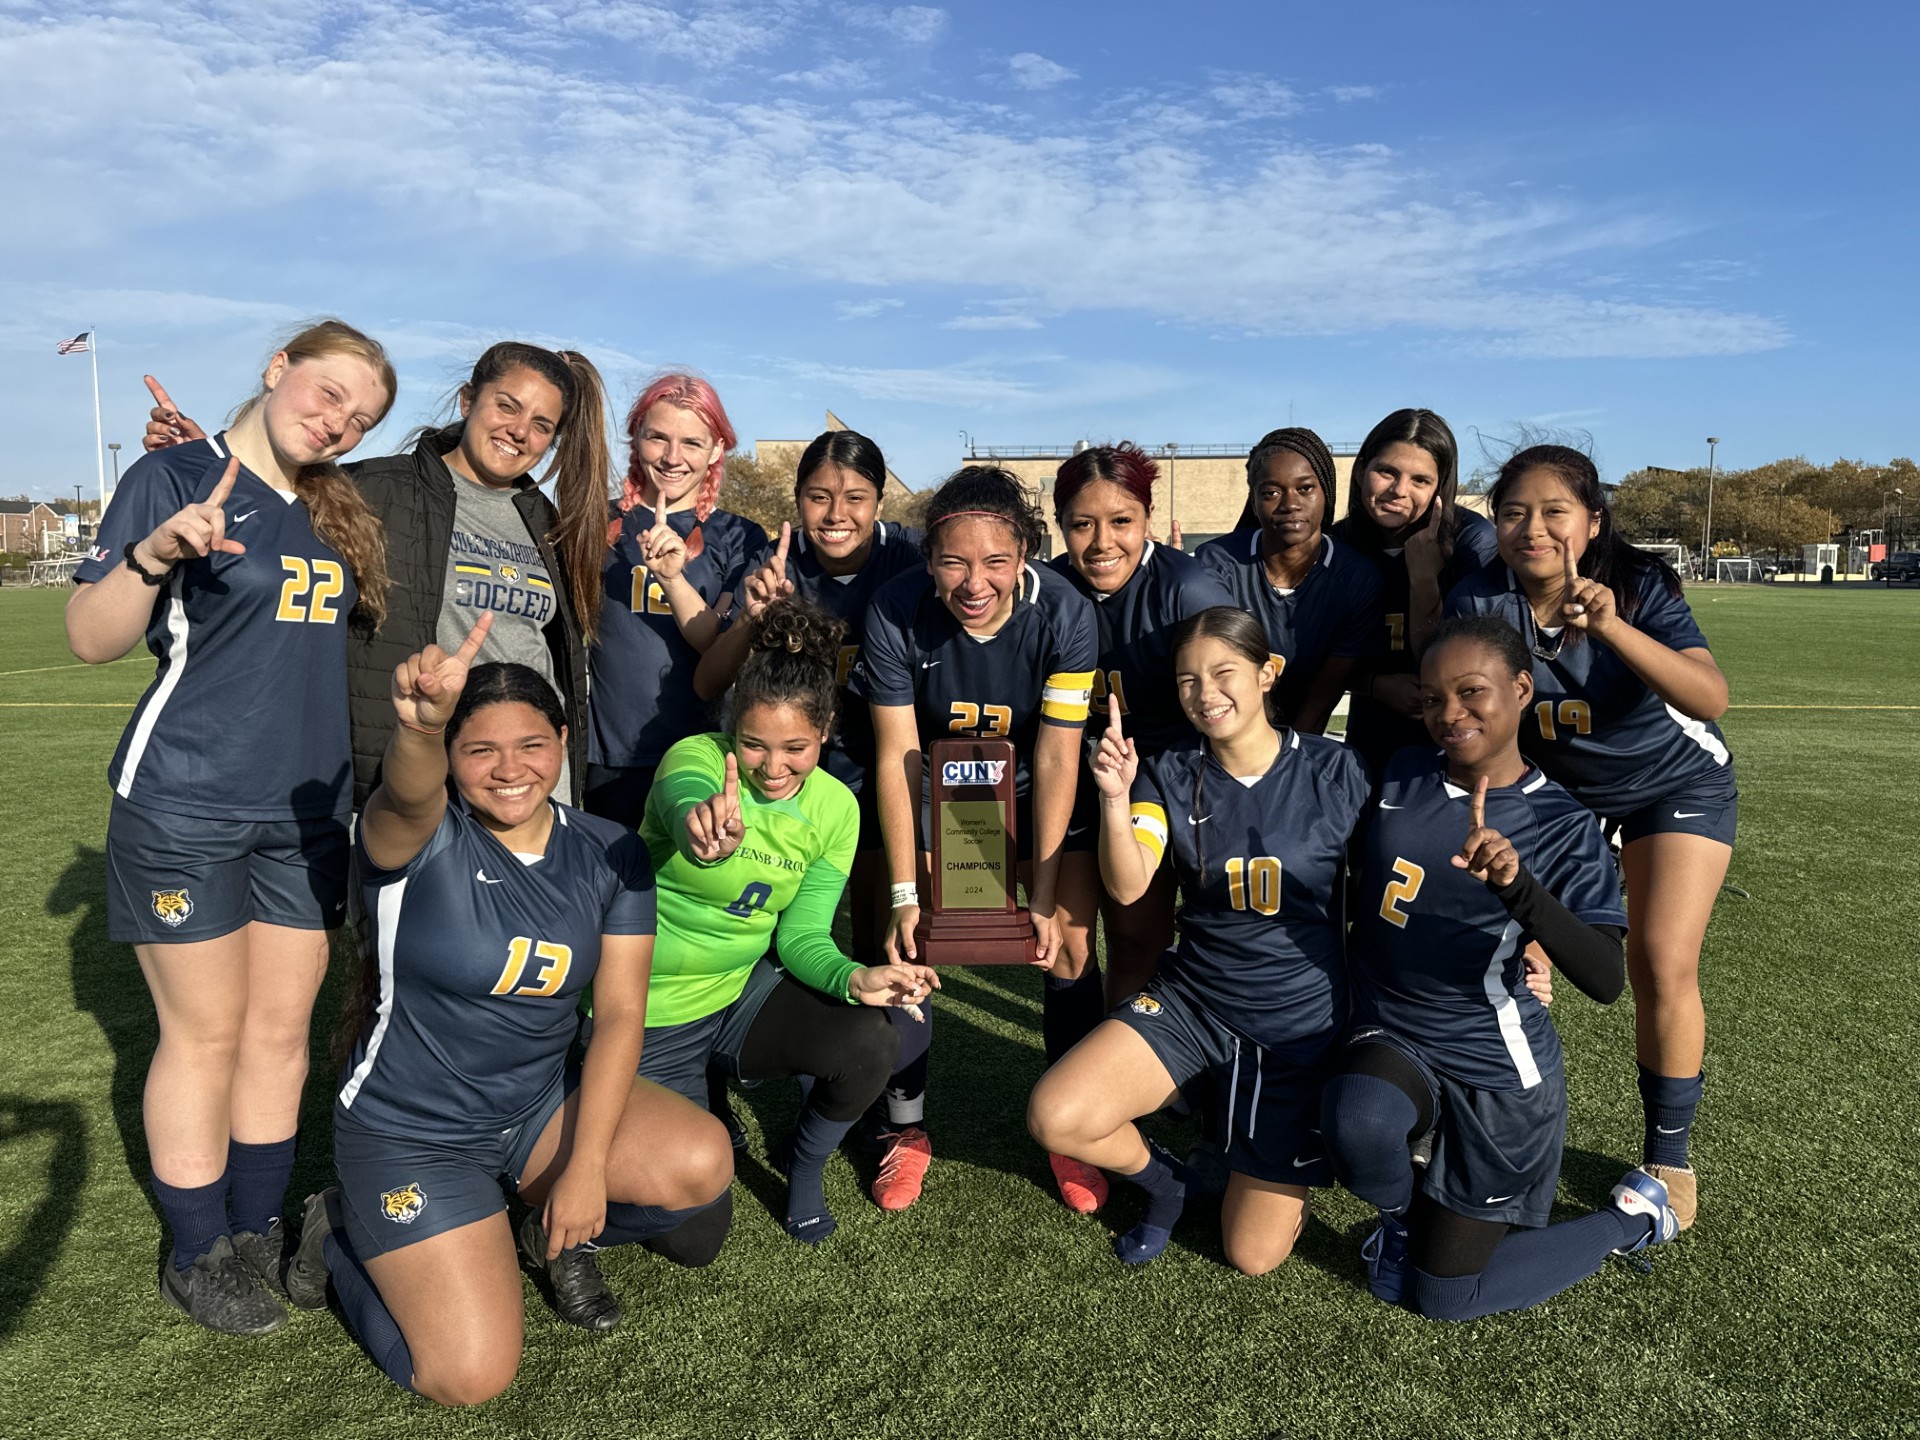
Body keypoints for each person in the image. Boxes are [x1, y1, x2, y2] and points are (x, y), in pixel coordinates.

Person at [284, 629, 733, 1403]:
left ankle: (531, 1227)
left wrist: (586, 1169)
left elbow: (622, 1014)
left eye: (531, 744)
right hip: (413, 1129)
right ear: (452, 758)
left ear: (563, 740)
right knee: (467, 1376)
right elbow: (407, 791)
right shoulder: (414, 836)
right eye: (478, 749)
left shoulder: (609, 851)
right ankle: (337, 1237)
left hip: (533, 1109)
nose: (509, 768)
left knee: (700, 1162)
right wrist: (421, 728)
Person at [68, 320, 395, 1334]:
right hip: (185, 806)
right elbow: (90, 637)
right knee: (202, 1034)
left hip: (305, 817)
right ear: (277, 367)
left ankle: (255, 1225)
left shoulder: (339, 510)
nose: (337, 421)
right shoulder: (173, 479)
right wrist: (155, 553)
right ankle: (197, 1245)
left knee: (277, 1034)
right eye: (329, 391)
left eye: (360, 415)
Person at [1323, 614, 1680, 1319]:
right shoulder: (1400, 773)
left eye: (1470, 692)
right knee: (1358, 1124)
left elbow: (1606, 979)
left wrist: (1519, 890)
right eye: (1431, 698)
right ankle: (1405, 1213)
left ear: (1522, 688)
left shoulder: (1562, 824)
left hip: (1497, 1071)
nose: (1448, 714)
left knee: (1445, 1298)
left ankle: (1633, 1218)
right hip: (1394, 1031)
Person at [1028, 606, 1370, 1273]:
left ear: (1268, 673)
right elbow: (1127, 887)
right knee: (1056, 1114)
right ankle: (1168, 1182)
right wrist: (1114, 800)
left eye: (1223, 673)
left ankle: (1238, 1127)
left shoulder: (1338, 771)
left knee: (1252, 1255)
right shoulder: (1170, 772)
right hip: (1196, 1005)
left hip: (1296, 1029)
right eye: (1188, 681)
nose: (1205, 694)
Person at [1446, 445, 1735, 1230]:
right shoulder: (1478, 597)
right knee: (1500, 951)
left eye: (1553, 512)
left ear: (1593, 521)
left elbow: (1710, 696)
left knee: (1659, 960)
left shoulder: (1636, 588)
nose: (1532, 528)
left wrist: (1611, 628)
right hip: (1561, 801)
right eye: (1513, 512)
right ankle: (1482, 1120)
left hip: (1669, 788)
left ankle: (1668, 1157)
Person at [142, 341, 611, 807]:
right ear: (469, 400)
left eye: (542, 425)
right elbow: (273, 499)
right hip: (412, 776)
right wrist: (211, 462)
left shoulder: (550, 524)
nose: (519, 431)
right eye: (506, 406)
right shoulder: (366, 490)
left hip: (526, 780)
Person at [638, 597, 939, 1245]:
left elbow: (801, 938)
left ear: (825, 730)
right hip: (649, 1009)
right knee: (692, 1236)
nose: (773, 768)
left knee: (870, 1040)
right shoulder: (692, 760)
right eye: (753, 745)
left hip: (738, 991)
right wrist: (700, 828)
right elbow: (682, 803)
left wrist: (856, 980)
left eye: (795, 748)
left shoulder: (835, 808)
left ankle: (803, 1165)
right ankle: (689, 1095)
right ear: (730, 729)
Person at [854, 467, 1104, 1215]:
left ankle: (1074, 1128)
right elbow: (898, 757)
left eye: (996, 561)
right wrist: (905, 893)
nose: (975, 582)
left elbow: (1060, 754)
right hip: (945, 794)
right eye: (955, 562)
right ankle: (905, 1128)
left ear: (1024, 553)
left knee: (1068, 946)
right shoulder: (896, 609)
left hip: (1037, 793)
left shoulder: (1065, 612)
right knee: (911, 947)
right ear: (929, 561)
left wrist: (1049, 895)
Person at [693, 427, 925, 963]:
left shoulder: (911, 558)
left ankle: (888, 1042)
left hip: (879, 768)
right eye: (818, 498)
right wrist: (752, 620)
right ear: (798, 500)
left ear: (881, 502)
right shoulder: (774, 560)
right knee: (773, 935)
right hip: (789, 773)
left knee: (879, 937)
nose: (835, 514)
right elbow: (707, 682)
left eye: (855, 499)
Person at [1046, 442, 1233, 1005]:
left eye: (1121, 521)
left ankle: (1132, 1084)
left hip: (1160, 775)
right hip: (1067, 773)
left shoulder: (1188, 591)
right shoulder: (1047, 590)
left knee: (1136, 939)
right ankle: (1072, 1081)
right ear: (1060, 526)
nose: (1103, 543)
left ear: (1148, 519)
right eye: (1082, 524)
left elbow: (1233, 702)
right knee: (1065, 946)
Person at [585, 373, 764, 827]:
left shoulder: (741, 537)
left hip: (699, 753)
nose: (672, 457)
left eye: (692, 443)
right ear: (636, 437)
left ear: (718, 448)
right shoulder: (593, 521)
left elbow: (715, 644)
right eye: (658, 438)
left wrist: (673, 577)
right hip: (606, 757)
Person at [1332, 408, 1500, 779]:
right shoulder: (1334, 546)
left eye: (1420, 480)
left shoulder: (1473, 542)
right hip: (1369, 740)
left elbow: (1469, 661)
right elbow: (1304, 658)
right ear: (1361, 470)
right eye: (1387, 472)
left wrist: (1424, 579)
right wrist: (1376, 686)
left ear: (1440, 488)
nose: (1399, 491)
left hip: (1456, 740)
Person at [1194, 427, 1381, 735]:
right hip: (1224, 734)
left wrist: (1289, 759)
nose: (1290, 504)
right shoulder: (1216, 563)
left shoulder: (1357, 578)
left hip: (1302, 737)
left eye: (1305, 489)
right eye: (1271, 492)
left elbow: (1324, 695)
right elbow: (1215, 677)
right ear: (1253, 501)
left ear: (1326, 493)